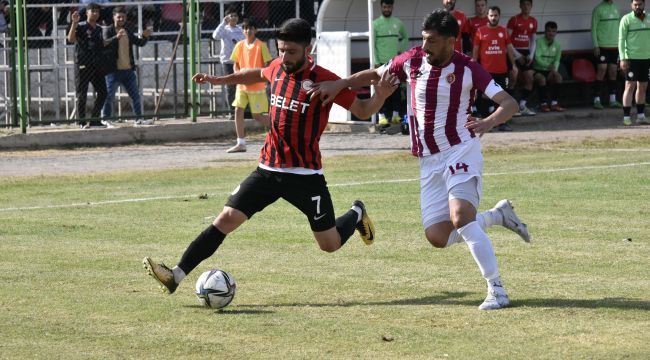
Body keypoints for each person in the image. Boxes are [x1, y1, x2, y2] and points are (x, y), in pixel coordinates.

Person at [143, 18, 399, 296]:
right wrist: (221, 79)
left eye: (291, 52)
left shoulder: (325, 80)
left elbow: (362, 110)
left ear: (308, 48)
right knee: (226, 218)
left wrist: (380, 96)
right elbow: (257, 74)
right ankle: (175, 276)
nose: (284, 57)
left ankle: (357, 212)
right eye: (280, 50)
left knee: (329, 244)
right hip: (268, 169)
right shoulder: (277, 67)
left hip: (305, 176)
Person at [310, 9, 531, 310]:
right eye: (424, 39)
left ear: (451, 41)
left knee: (460, 217)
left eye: (432, 41)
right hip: (428, 160)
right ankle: (498, 215)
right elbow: (377, 74)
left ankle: (497, 290)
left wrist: (488, 122)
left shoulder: (468, 68)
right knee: (437, 236)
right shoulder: (412, 60)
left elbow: (509, 102)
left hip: (460, 150)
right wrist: (340, 84)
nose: (425, 47)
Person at [225, 18, 272, 153]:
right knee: (238, 110)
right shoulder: (239, 45)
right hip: (242, 86)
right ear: (242, 30)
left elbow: (268, 64)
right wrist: (237, 74)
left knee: (257, 116)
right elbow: (236, 63)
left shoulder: (261, 45)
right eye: (245, 28)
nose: (248, 31)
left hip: (257, 87)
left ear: (255, 30)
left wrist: (259, 77)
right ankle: (241, 143)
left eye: (250, 28)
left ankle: (280, 128)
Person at [101, 6, 153, 127]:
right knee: (108, 97)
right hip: (113, 71)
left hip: (128, 71)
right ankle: (105, 119)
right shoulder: (107, 30)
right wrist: (116, 37)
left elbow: (139, 43)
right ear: (113, 17)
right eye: (118, 16)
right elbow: (103, 45)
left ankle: (138, 120)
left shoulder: (128, 30)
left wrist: (145, 36)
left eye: (123, 17)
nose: (121, 19)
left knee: (135, 96)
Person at [472, 6, 518, 130]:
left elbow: (509, 49)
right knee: (485, 96)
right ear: (487, 16)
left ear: (499, 16)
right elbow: (475, 51)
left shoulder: (503, 31)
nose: (493, 18)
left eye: (495, 15)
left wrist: (513, 65)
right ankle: (487, 122)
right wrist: (473, 67)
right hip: (486, 71)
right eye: (491, 15)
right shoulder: (480, 31)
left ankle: (502, 123)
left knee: (502, 97)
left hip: (502, 71)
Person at [66, 4, 107, 129]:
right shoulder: (81, 26)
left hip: (96, 65)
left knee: (103, 92)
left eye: (97, 11)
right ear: (87, 13)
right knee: (82, 93)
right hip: (83, 64)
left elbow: (102, 44)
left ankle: (95, 120)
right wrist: (74, 23)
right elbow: (71, 39)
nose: (95, 13)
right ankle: (82, 122)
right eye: (92, 11)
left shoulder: (99, 28)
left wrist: (115, 38)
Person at [373, 0, 409, 126]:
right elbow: (372, 44)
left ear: (392, 7)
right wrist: (376, 61)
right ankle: (381, 115)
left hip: (394, 63)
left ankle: (395, 115)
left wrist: (401, 53)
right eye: (385, 7)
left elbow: (405, 37)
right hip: (381, 63)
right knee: (381, 90)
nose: (387, 9)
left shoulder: (398, 23)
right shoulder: (375, 24)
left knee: (396, 90)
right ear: (381, 7)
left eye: (389, 7)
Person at [618, 0, 650, 126]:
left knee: (643, 87)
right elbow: (621, 40)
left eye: (640, 4)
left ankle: (641, 117)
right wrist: (623, 58)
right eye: (635, 4)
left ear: (644, 5)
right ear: (631, 5)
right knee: (629, 86)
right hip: (632, 59)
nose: (637, 7)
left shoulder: (649, 18)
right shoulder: (626, 19)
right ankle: (626, 117)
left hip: (647, 58)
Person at [212, 6, 245, 117]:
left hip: (240, 61)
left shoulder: (241, 30)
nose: (234, 18)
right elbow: (215, 36)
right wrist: (223, 23)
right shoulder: (224, 29)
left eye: (235, 15)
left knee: (241, 85)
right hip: (227, 61)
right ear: (227, 17)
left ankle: (243, 110)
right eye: (231, 15)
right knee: (230, 87)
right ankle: (232, 111)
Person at [507, 0, 538, 116]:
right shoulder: (514, 19)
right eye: (524, 4)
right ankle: (509, 107)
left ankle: (522, 105)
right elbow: (507, 40)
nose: (526, 7)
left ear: (531, 6)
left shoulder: (533, 21)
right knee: (513, 78)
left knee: (530, 78)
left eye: (528, 4)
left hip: (526, 52)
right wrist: (517, 55)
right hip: (513, 52)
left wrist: (531, 54)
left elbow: (533, 40)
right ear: (520, 6)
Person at [591, 0, 623, 109]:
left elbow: (620, 27)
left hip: (615, 46)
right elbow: (593, 28)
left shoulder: (616, 8)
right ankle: (596, 99)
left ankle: (612, 100)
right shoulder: (598, 9)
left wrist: (621, 44)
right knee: (602, 69)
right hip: (602, 46)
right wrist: (596, 45)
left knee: (613, 71)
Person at [532, 21, 565, 113]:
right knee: (542, 79)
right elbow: (537, 57)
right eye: (549, 31)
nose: (551, 33)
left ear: (556, 32)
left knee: (558, 77)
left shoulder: (558, 45)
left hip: (550, 70)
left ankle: (554, 103)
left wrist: (555, 69)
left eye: (553, 31)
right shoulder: (539, 41)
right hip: (538, 69)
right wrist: (548, 66)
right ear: (545, 31)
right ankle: (543, 104)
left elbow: (557, 59)